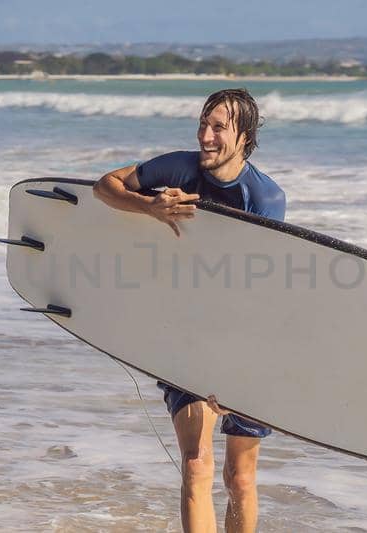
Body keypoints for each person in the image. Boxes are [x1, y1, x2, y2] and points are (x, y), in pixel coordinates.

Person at [93, 88, 285, 533]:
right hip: (186, 334)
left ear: (245, 137)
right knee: (197, 465)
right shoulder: (180, 167)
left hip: (248, 339)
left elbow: (264, 289)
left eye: (219, 127)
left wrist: (230, 373)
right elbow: (107, 185)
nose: (206, 136)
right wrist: (150, 206)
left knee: (239, 477)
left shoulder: (265, 199)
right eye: (203, 123)